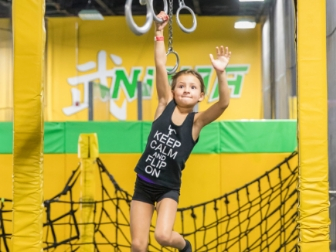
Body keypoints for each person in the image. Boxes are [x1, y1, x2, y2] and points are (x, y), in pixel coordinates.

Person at [130, 11, 231, 252]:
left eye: (193, 87)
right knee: (137, 245)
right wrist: (158, 32)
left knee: (163, 236)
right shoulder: (164, 105)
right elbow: (160, 64)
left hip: (168, 188)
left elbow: (223, 104)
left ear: (200, 96)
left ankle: (185, 247)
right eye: (182, 86)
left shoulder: (196, 122)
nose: (187, 90)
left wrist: (220, 72)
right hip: (143, 183)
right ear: (173, 91)